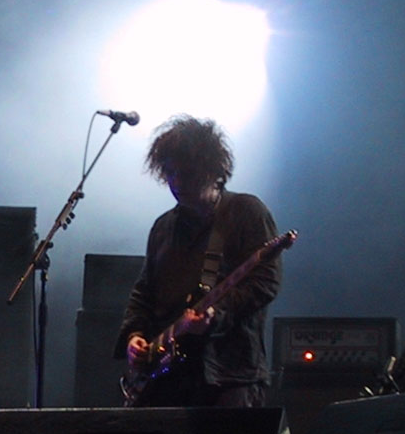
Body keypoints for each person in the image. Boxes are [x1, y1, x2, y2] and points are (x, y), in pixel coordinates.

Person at [114, 115, 281, 408]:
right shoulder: (163, 227)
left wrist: (216, 315)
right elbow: (144, 292)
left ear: (214, 171)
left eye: (187, 173)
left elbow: (265, 282)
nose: (177, 182)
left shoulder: (246, 212)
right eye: (170, 173)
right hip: (167, 380)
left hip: (227, 375)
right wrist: (135, 335)